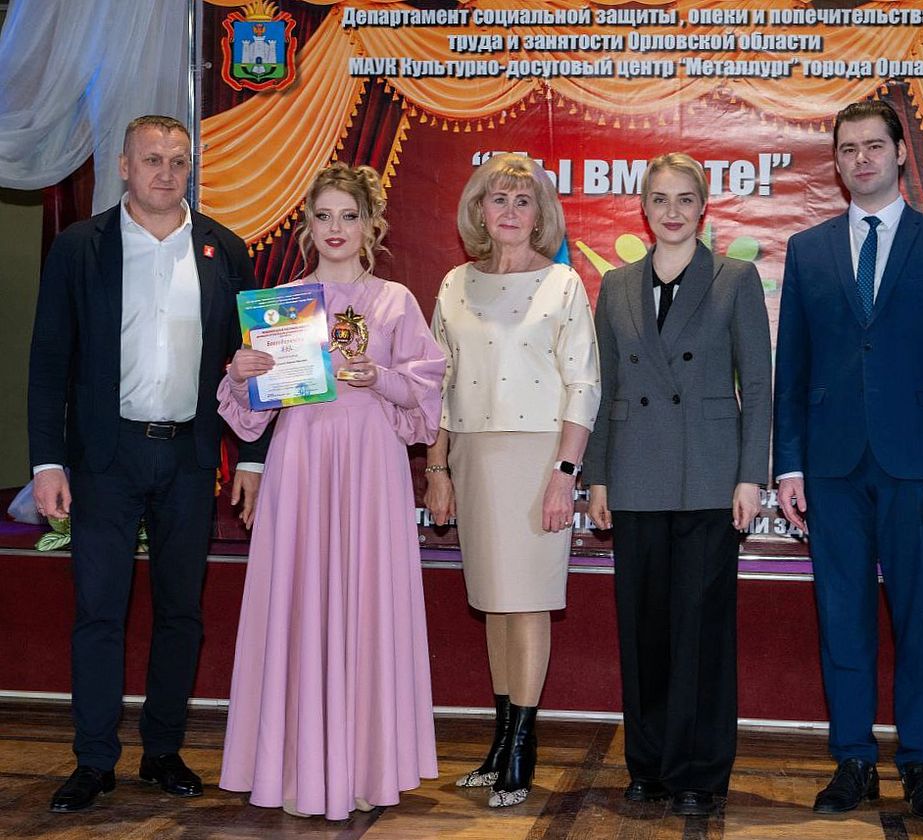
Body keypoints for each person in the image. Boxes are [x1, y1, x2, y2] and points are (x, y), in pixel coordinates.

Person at [28, 115, 267, 813]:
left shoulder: (224, 249)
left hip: (191, 457)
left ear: (191, 169)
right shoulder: (80, 247)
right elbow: (49, 362)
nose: (167, 172)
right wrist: (47, 462)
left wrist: (252, 458)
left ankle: (163, 750)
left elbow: (258, 362)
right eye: (152, 159)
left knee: (180, 613)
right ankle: (93, 760)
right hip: (104, 459)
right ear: (124, 167)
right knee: (99, 611)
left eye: (178, 160)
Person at [774, 100, 923, 822]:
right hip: (830, 469)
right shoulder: (808, 250)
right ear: (835, 163)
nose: (860, 159)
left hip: (919, 468)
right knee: (843, 620)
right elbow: (791, 371)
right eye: (847, 149)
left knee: (919, 621)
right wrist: (788, 466)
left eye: (872, 146)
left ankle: (921, 765)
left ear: (899, 153)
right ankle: (854, 760)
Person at [217, 163, 444, 820]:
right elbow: (251, 411)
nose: (336, 228)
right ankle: (295, 770)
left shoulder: (395, 301)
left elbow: (427, 394)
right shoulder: (282, 305)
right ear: (307, 225)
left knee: (367, 603)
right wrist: (242, 372)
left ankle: (366, 768)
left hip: (371, 468)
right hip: (301, 464)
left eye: (349, 216)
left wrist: (381, 377)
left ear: (372, 224)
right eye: (324, 216)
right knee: (300, 602)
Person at [583, 152, 772, 817]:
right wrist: (597, 478)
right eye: (660, 199)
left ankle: (699, 773)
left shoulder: (734, 278)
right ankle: (650, 766)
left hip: (709, 476)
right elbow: (603, 388)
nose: (672, 212)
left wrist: (750, 476)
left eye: (685, 199)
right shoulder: (616, 285)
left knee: (702, 631)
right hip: (635, 475)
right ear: (643, 207)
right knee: (644, 631)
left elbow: (759, 385)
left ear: (703, 207)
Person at [425, 153, 599, 808]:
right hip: (472, 456)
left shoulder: (563, 285)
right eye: (498, 199)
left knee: (527, 600)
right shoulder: (454, 284)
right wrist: (437, 468)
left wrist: (564, 474)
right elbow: (437, 386)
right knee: (494, 601)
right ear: (479, 210)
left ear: (540, 214)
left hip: (538, 458)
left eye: (523, 201)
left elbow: (584, 384)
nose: (509, 211)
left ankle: (524, 746)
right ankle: (500, 744)